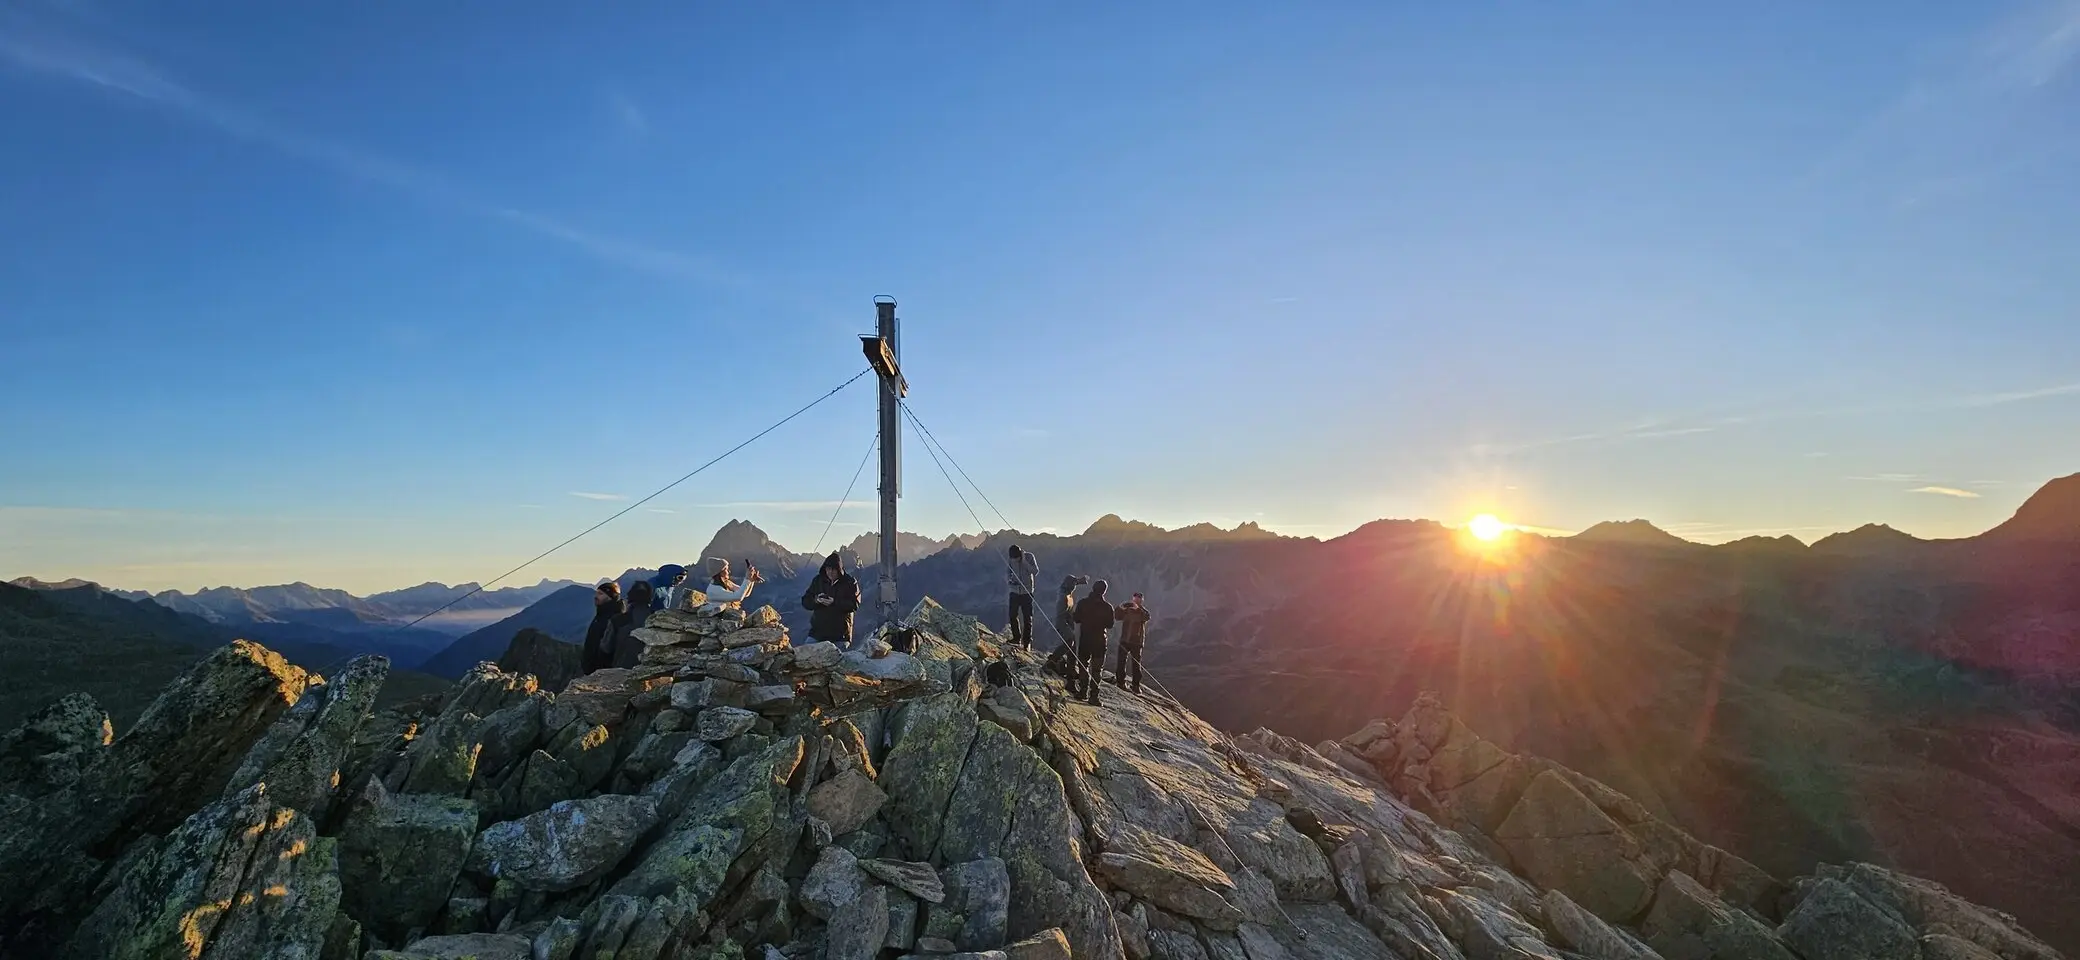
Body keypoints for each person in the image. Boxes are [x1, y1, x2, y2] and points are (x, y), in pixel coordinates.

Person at [801, 552, 862, 648]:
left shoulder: (850, 582)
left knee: (839, 661)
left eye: (833, 570)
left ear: (839, 570)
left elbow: (855, 604)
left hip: (840, 636)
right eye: (828, 569)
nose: (830, 572)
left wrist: (834, 602)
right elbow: (805, 601)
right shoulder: (818, 581)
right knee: (805, 656)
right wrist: (816, 600)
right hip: (817, 634)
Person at [1071, 579, 1116, 705]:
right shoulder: (1107, 607)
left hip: (1085, 639)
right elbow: (1110, 625)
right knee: (1097, 669)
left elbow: (1076, 619)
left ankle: (1083, 691)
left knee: (1083, 665)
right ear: (1104, 591)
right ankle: (1094, 696)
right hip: (1100, 641)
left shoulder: (1083, 603)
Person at [676, 557, 763, 613]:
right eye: (726, 569)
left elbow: (745, 594)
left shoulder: (726, 583)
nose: (729, 571)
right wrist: (747, 578)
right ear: (719, 572)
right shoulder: (714, 590)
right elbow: (738, 596)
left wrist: (751, 580)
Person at [580, 581, 623, 673]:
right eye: (596, 593)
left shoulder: (615, 618)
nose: (596, 596)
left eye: (600, 594)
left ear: (610, 596)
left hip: (604, 672)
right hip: (594, 670)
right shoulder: (601, 615)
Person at [1113, 592, 1151, 694]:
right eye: (1135, 598)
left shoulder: (1143, 612)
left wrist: (1138, 609)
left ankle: (1135, 685)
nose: (1136, 600)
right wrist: (1121, 607)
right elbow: (1117, 616)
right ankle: (1120, 682)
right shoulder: (1127, 610)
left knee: (1136, 664)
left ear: (1142, 600)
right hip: (1125, 640)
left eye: (1139, 599)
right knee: (1121, 662)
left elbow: (1147, 617)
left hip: (1136, 642)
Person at [1005, 545, 1040, 648]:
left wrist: (1024, 562)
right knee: (1012, 615)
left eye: (1017, 558)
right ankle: (1016, 638)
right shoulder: (1011, 559)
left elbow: (1035, 571)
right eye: (1013, 559)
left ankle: (1027, 642)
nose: (1015, 560)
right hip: (1014, 591)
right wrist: (1009, 581)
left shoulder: (1029, 557)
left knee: (1027, 618)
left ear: (1020, 554)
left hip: (1027, 593)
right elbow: (1008, 571)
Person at [1053, 574, 1088, 653]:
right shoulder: (1064, 597)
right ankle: (1053, 660)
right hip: (1062, 623)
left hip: (1067, 622)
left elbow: (1072, 582)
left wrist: (1080, 581)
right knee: (1070, 641)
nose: (1074, 587)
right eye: (1073, 584)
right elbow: (1061, 615)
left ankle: (1070, 664)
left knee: (1073, 644)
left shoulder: (1066, 592)